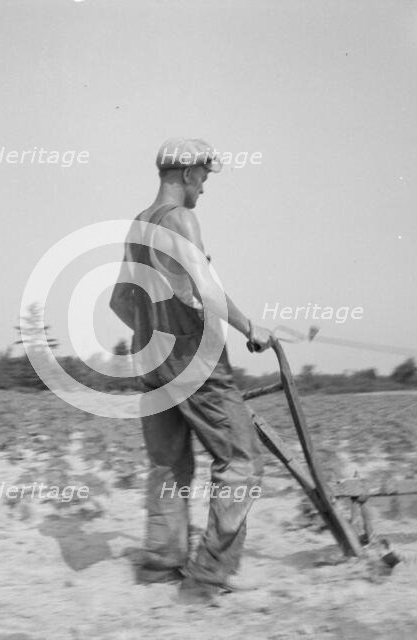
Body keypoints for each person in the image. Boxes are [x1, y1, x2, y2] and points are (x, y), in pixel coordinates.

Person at [109, 138, 274, 602]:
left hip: (152, 366)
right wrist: (250, 328)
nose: (205, 186)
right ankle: (208, 578)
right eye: (203, 176)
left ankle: (161, 566)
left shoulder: (138, 227)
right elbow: (206, 291)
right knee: (242, 460)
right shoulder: (182, 219)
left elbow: (119, 300)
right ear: (185, 175)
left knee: (168, 465)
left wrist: (153, 334)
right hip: (193, 364)